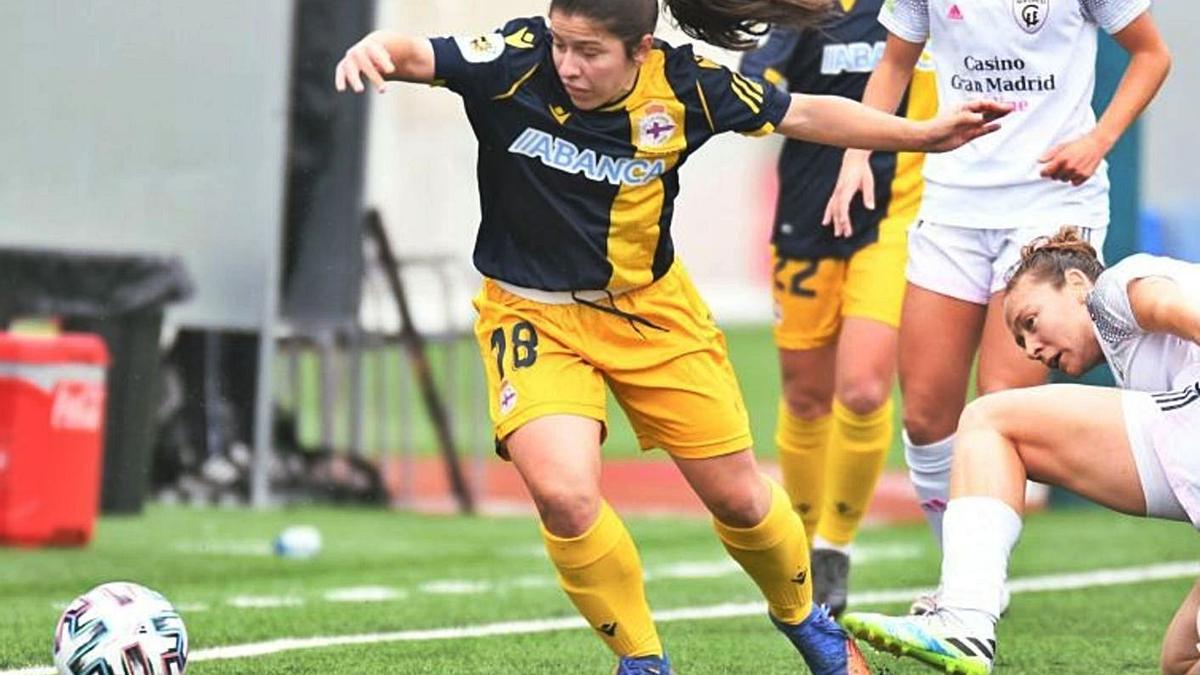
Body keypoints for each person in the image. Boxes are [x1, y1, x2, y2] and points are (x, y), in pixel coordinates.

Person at [334, 1, 1007, 672]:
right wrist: (377, 48)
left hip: (652, 312)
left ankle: (807, 619)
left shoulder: (688, 86)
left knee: (739, 497)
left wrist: (921, 135)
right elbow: (418, 55)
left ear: (641, 49)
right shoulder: (514, 57)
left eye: (589, 51)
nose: (567, 64)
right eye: (561, 43)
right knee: (565, 496)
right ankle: (643, 661)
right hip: (531, 313)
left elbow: (801, 112)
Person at [823, 0, 1171, 582]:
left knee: (1001, 407)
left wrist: (1099, 139)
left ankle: (970, 591)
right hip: (953, 204)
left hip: (1051, 201)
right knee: (927, 417)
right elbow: (893, 65)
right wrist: (857, 156)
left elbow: (1152, 55)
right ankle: (961, 568)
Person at [840, 227, 1200, 675]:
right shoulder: (1142, 359)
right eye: (1020, 340)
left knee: (990, 421)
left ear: (1075, 285)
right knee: (1182, 662)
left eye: (1030, 322)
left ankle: (964, 619)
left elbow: (1176, 309)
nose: (1031, 349)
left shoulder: (1112, 292)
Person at [738, 3, 937, 618]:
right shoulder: (799, 13)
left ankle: (834, 547)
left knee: (862, 389)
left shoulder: (919, 9)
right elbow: (754, 101)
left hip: (895, 216)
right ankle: (799, 539)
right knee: (804, 396)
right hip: (806, 216)